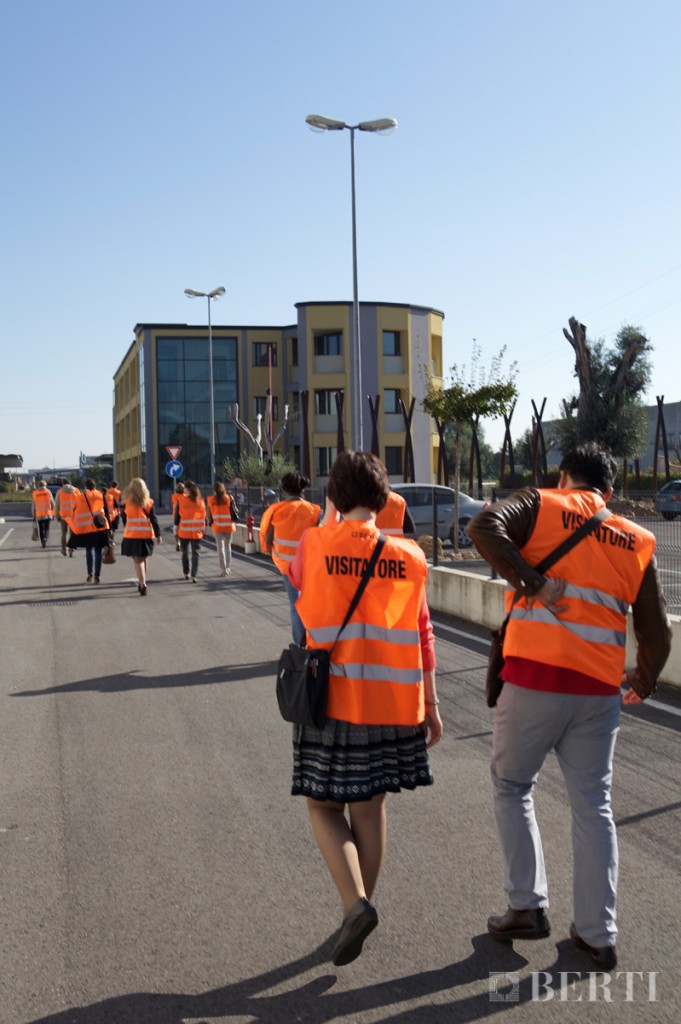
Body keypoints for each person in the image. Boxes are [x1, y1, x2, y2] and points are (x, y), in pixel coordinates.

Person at [467, 442, 672, 971]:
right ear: (607, 492)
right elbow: (658, 631)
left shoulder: (543, 503)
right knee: (593, 806)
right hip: (599, 695)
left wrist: (534, 583)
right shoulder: (637, 538)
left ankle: (526, 907)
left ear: (564, 478)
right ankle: (598, 934)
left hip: (535, 680)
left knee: (513, 786)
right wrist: (642, 682)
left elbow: (483, 529)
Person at [288, 451, 443, 967]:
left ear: (332, 496)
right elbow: (423, 633)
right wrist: (433, 705)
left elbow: (295, 578)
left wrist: (331, 516)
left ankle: (355, 904)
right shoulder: (411, 557)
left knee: (323, 805)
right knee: (371, 808)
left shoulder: (315, 543)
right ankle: (357, 908)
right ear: (384, 498)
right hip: (396, 703)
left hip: (334, 700)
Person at [259, 472, 321, 646]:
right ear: (303, 488)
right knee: (312, 604)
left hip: (286, 565)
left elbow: (267, 537)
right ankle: (314, 641)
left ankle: (300, 645)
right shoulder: (314, 510)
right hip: (309, 565)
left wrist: (271, 552)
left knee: (296, 605)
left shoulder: (276, 510)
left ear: (285, 488)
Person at [120, 477, 162, 595]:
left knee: (137, 560)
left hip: (132, 535)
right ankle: (142, 582)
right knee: (143, 558)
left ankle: (142, 584)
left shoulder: (127, 502)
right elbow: (154, 519)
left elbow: (124, 518)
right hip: (146, 535)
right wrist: (158, 534)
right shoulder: (149, 502)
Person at [67, 478, 111, 583]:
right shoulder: (101, 495)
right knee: (98, 551)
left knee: (89, 551)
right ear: (95, 486)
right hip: (100, 527)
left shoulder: (79, 498)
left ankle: (89, 574)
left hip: (85, 529)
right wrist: (110, 528)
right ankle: (97, 576)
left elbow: (75, 513)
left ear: (85, 487)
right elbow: (107, 512)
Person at [175, 480, 206, 582]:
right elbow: (203, 517)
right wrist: (203, 531)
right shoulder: (200, 501)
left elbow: (177, 516)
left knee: (185, 553)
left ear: (187, 489)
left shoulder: (180, 500)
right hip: (197, 532)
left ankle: (186, 573)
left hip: (184, 531)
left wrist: (175, 527)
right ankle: (194, 575)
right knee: (195, 554)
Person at [207, 481, 238, 577]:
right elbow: (235, 510)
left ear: (214, 490)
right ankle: (228, 567)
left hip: (217, 526)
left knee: (220, 548)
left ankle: (223, 569)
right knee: (228, 546)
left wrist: (209, 522)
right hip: (229, 526)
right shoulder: (229, 498)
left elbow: (208, 514)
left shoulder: (210, 500)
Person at [54, 478, 79, 556]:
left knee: (63, 534)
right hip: (73, 516)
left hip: (63, 516)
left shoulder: (60, 492)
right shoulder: (76, 491)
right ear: (70, 483)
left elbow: (57, 505)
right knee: (72, 534)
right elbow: (80, 503)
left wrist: (57, 516)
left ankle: (63, 550)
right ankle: (71, 550)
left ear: (62, 484)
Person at [31, 480, 55, 548]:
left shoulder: (35, 493)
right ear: (45, 485)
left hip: (39, 514)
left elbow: (34, 504)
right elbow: (52, 502)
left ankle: (42, 542)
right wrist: (54, 512)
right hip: (47, 513)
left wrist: (33, 514)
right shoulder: (48, 492)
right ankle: (45, 538)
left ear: (38, 485)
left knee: (41, 528)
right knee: (47, 528)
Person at [171, 482, 185, 551]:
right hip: (183, 515)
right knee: (182, 530)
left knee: (176, 530)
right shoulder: (185, 497)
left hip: (175, 516)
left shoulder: (174, 496)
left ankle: (178, 542)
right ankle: (182, 543)